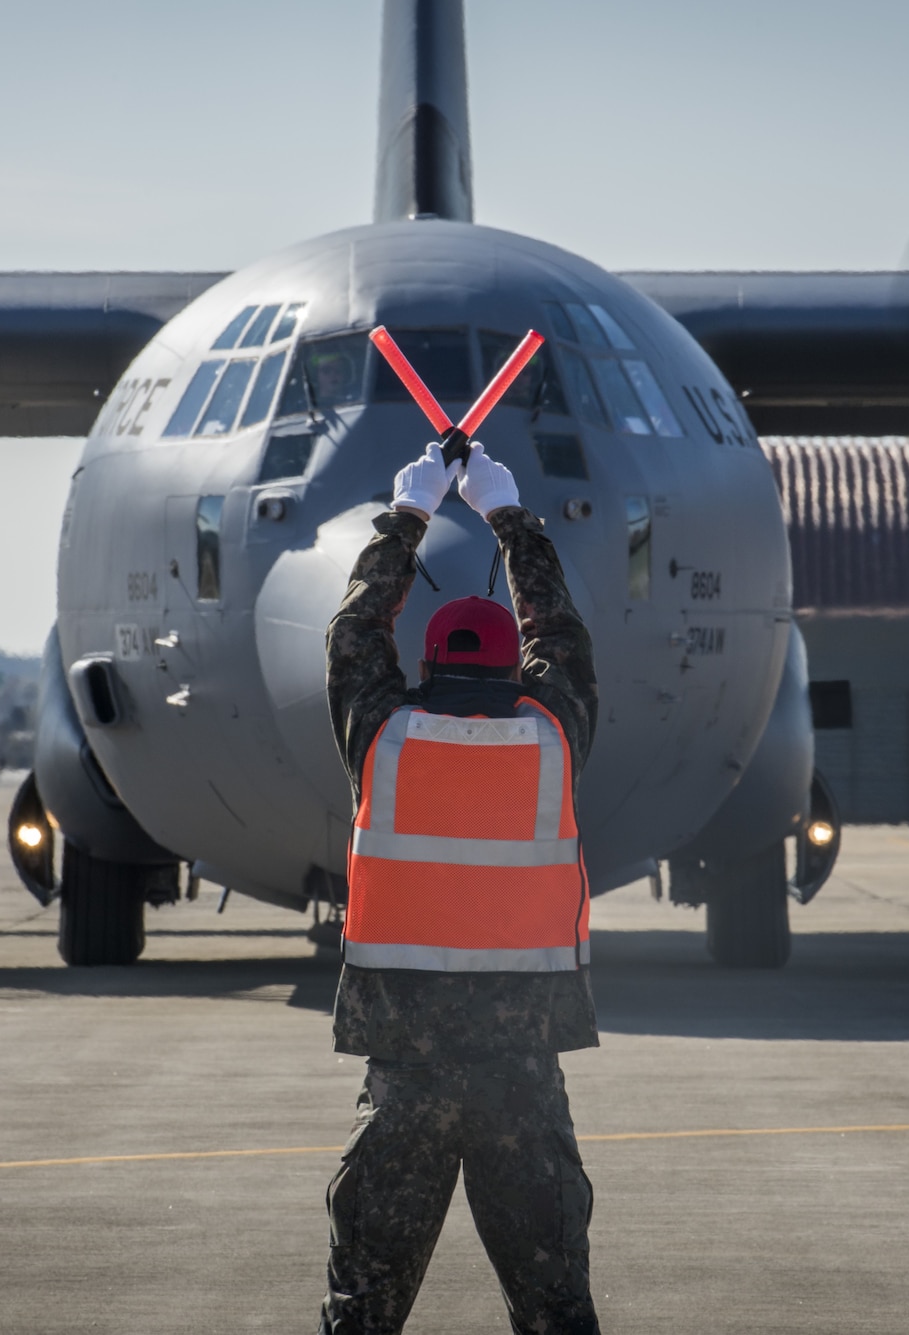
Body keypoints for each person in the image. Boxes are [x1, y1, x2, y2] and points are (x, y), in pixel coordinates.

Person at [319, 441, 601, 1335]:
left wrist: (407, 517)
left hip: (409, 1077)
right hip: (521, 1077)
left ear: (430, 663)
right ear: (513, 671)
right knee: (556, 1306)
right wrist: (510, 518)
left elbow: (352, 636)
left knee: (363, 1306)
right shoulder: (552, 736)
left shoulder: (385, 737)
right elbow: (562, 635)